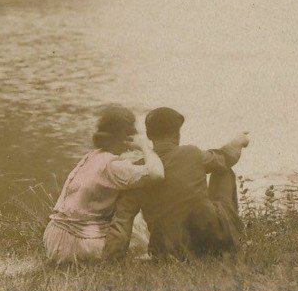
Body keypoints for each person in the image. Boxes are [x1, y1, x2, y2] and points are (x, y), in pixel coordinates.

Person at [103, 107, 249, 260]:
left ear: (148, 135)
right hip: (211, 239)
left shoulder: (139, 170)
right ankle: (234, 240)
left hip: (167, 249)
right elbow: (227, 157)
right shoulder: (191, 153)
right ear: (177, 133)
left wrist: (112, 258)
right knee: (223, 170)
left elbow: (123, 220)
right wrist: (239, 141)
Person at [43, 106, 165, 264]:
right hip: (78, 244)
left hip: (53, 239)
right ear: (126, 136)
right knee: (139, 238)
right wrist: (145, 147)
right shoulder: (112, 166)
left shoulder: (92, 156)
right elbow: (157, 174)